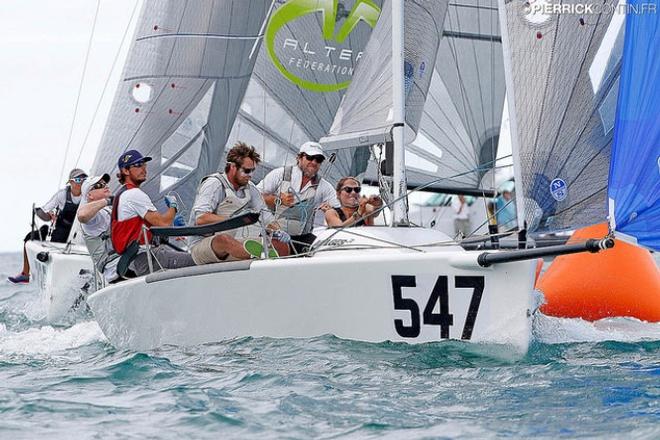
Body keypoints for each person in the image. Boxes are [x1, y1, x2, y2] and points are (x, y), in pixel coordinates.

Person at [188, 142, 289, 264]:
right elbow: (201, 219)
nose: (250, 175)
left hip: (232, 247)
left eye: (252, 171)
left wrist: (278, 231)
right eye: (246, 171)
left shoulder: (251, 189)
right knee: (224, 240)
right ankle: (261, 256)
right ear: (232, 167)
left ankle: (264, 261)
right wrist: (230, 220)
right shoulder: (214, 184)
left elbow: (266, 217)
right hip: (203, 247)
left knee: (281, 245)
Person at [111, 150, 194, 276]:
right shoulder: (133, 194)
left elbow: (151, 227)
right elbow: (163, 224)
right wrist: (173, 206)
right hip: (147, 258)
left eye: (144, 165)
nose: (144, 169)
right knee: (200, 260)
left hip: (138, 259)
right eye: (138, 165)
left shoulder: (123, 193)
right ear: (125, 171)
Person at [257, 141, 339, 253]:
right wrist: (278, 200)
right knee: (279, 248)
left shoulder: (325, 186)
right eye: (310, 157)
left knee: (328, 252)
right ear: (299, 158)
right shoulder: (280, 174)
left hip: (303, 238)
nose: (314, 162)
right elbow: (254, 197)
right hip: (275, 235)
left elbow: (340, 209)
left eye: (318, 159)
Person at [8, 168, 87, 284]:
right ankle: (25, 274)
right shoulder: (62, 195)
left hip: (80, 230)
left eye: (84, 180)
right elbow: (43, 212)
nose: (81, 183)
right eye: (78, 179)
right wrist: (48, 215)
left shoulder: (88, 194)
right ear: (71, 182)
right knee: (29, 237)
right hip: (62, 228)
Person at [77, 173, 118, 283]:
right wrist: (108, 200)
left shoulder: (106, 211)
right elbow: (82, 215)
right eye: (99, 185)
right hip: (113, 267)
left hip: (123, 259)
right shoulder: (94, 218)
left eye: (105, 183)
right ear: (90, 195)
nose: (105, 186)